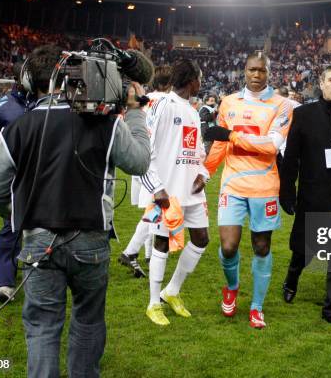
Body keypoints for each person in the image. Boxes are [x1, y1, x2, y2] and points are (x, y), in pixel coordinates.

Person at [0, 44, 152, 377]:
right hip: (91, 242)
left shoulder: (20, 127)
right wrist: (134, 111)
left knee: (43, 327)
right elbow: (140, 161)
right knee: (88, 321)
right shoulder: (105, 123)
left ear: (31, 83)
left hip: (37, 241)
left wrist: (16, 217)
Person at [204, 52, 293, 329]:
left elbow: (270, 145)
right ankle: (232, 287)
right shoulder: (228, 102)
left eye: (262, 71)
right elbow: (219, 143)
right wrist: (205, 172)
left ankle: (256, 307)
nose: (256, 76)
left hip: (265, 187)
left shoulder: (282, 106)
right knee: (228, 247)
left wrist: (233, 136)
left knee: (261, 246)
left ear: (269, 73)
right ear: (244, 71)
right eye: (252, 70)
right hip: (232, 184)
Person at [279, 65, 331, 329]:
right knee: (304, 249)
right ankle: (292, 278)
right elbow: (291, 158)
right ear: (321, 84)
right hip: (311, 194)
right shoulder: (303, 114)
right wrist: (287, 190)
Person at [141, 59, 210, 326]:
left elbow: (198, 150)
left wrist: (203, 174)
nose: (201, 83)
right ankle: (153, 303)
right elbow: (144, 147)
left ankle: (172, 291)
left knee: (201, 239)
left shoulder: (192, 110)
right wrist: (156, 187)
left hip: (191, 191)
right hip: (166, 190)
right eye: (200, 78)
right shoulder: (162, 105)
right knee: (161, 243)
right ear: (192, 80)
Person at [0, 61, 32, 302]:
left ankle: (38, 278)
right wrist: (1, 161)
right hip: (15, 178)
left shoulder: (47, 102)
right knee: (11, 225)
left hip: (44, 176)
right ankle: (5, 283)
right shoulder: (3, 104)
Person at [120, 65, 172, 278]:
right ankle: (132, 252)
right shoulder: (169, 102)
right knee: (157, 208)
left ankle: (144, 254)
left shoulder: (143, 98)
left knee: (153, 209)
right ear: (170, 83)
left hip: (139, 158)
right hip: (158, 163)